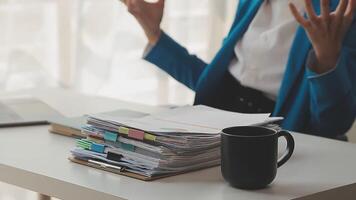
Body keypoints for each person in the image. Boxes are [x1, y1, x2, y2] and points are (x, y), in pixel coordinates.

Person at [120, 0, 356, 139]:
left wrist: (326, 59)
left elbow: (333, 125)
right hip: (214, 125)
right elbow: (220, 81)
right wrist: (154, 34)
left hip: (276, 140)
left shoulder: (340, 11)